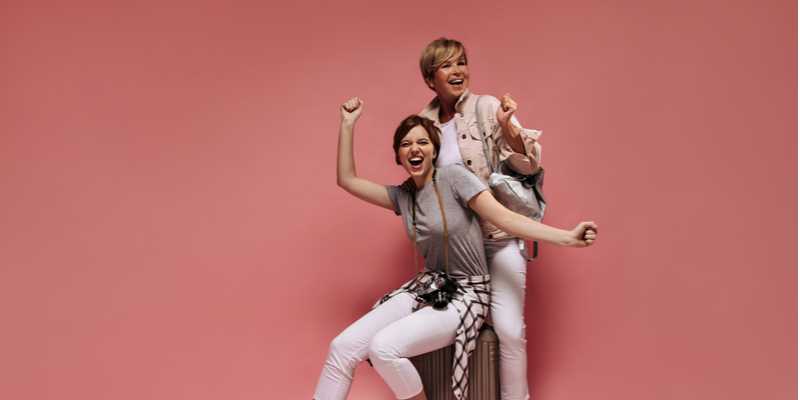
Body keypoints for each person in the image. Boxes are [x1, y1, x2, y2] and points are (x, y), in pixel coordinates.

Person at [312, 97, 597, 400]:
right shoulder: (403, 197)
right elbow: (347, 180)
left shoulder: (455, 178)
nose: (414, 149)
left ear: (434, 150)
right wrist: (347, 124)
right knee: (341, 348)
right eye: (406, 144)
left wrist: (567, 237)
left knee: (383, 347)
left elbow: (505, 218)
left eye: (422, 142)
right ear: (398, 156)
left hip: (467, 294)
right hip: (427, 287)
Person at [417, 37, 545, 400]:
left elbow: (530, 165)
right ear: (430, 79)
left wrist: (509, 129)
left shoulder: (487, 107)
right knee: (447, 329)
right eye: (447, 65)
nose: (458, 70)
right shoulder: (424, 124)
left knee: (509, 331)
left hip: (498, 237)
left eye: (462, 62)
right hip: (457, 251)